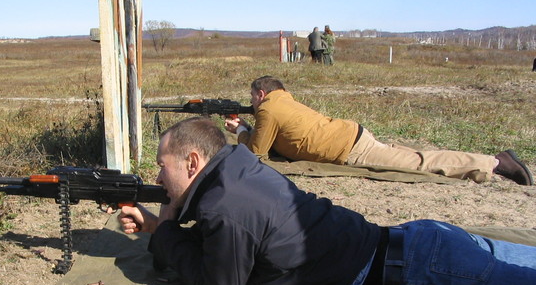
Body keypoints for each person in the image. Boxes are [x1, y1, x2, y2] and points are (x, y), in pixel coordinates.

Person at [118, 116, 536, 285]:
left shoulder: (225, 205)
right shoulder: (237, 168)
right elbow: (226, 247)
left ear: (193, 162)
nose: (156, 176)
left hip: (423, 271)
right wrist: (162, 224)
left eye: (161, 166)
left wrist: (166, 229)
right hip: (420, 246)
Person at [223, 76, 533, 185]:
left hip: (352, 149)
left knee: (418, 162)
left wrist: (241, 130)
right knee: (411, 156)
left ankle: (493, 163)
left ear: (260, 94)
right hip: (350, 136)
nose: (251, 102)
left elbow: (256, 153)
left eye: (252, 98)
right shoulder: (284, 100)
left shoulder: (269, 108)